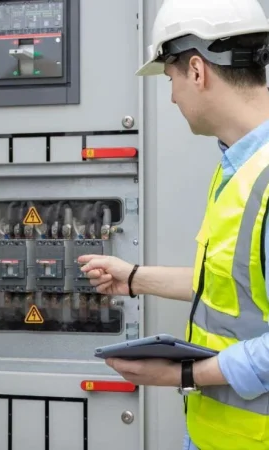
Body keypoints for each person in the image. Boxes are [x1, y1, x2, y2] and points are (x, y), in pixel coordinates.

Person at [79, 0, 269, 449]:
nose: (171, 97)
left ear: (198, 70)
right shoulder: (241, 168)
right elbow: (237, 285)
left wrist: (185, 373)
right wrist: (134, 279)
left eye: (171, 79)